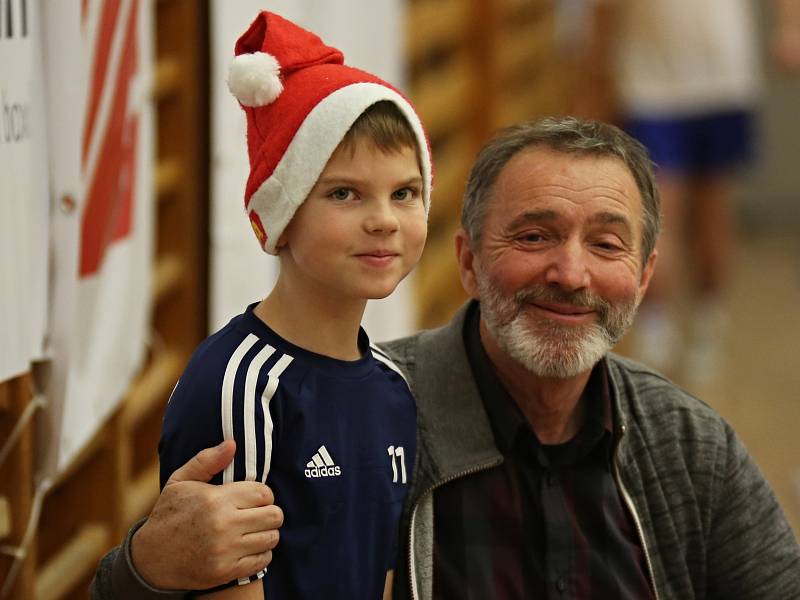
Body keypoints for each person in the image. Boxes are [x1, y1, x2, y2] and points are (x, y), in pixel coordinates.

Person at [91, 117, 800, 599]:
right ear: (466, 261)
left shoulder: (688, 446)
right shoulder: (357, 412)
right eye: (533, 235)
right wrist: (149, 568)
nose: (571, 273)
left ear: (644, 277)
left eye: (608, 245)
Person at [110, 10, 432, 599]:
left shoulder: (394, 388)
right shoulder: (241, 387)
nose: (385, 220)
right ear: (278, 223)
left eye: (404, 193)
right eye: (344, 193)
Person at [578, 0, 800, 384]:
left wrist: (790, 27)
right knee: (658, 214)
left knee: (713, 215)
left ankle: (706, 323)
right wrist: (598, 75)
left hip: (722, 84)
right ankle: (654, 333)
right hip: (650, 86)